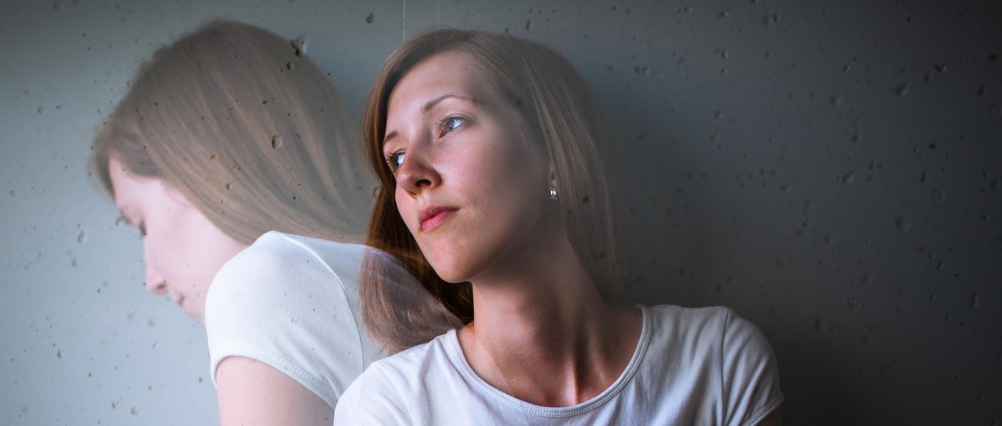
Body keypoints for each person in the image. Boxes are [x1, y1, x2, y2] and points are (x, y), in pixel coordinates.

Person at [335, 29, 784, 425]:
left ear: (551, 154)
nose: (409, 174)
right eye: (395, 157)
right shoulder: (390, 409)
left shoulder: (718, 363)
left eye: (450, 123)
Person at [90, 19, 419, 425]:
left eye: (140, 222)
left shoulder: (258, 283)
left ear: (196, 175)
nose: (152, 279)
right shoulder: (394, 279)